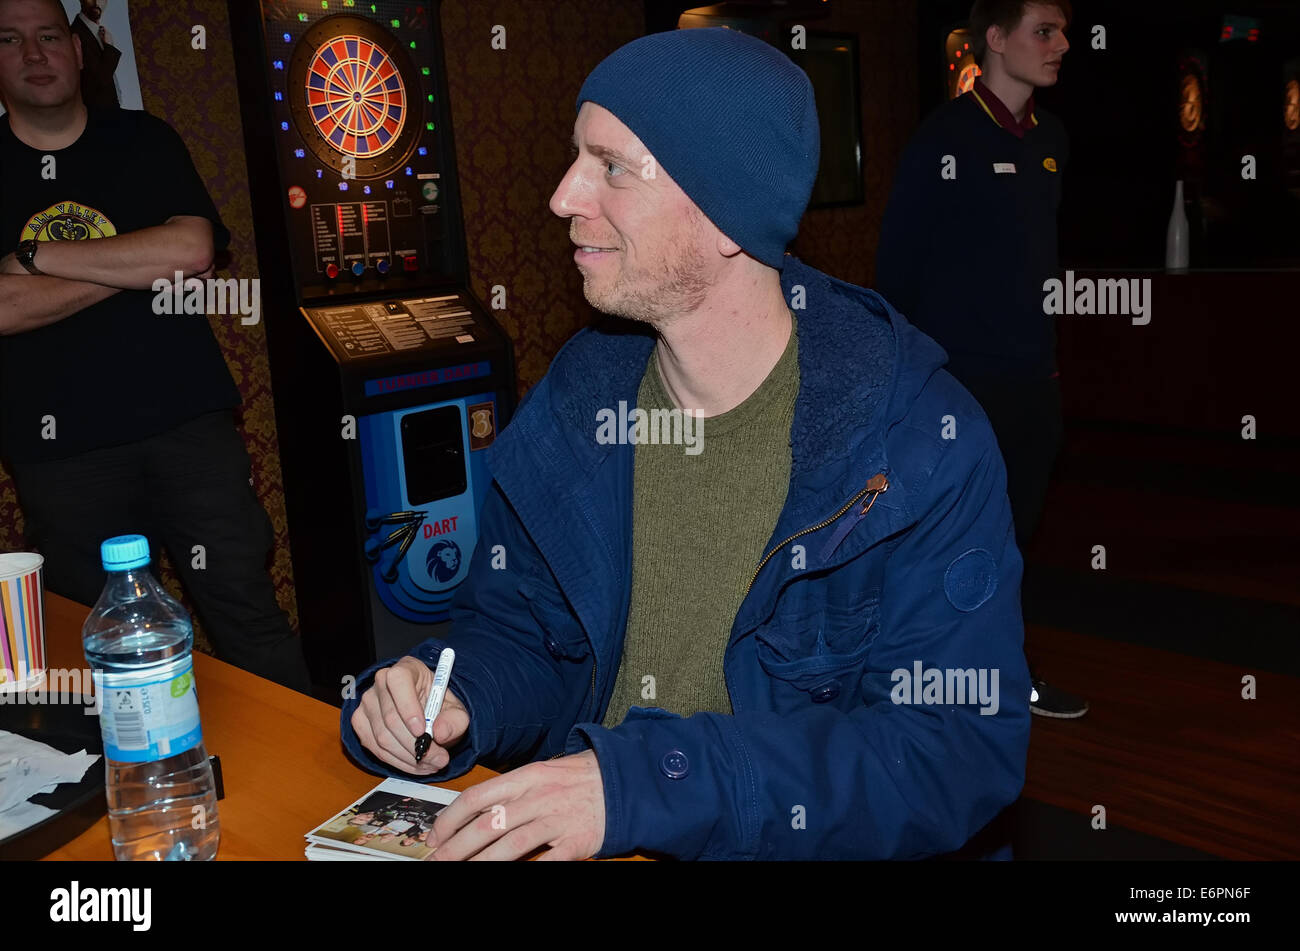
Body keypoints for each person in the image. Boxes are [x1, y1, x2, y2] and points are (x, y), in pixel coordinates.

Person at [342, 27, 1030, 861]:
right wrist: (451, 693)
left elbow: (946, 756)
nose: (563, 196)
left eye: (611, 167)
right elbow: (527, 633)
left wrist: (648, 786)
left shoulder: (917, 444)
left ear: (727, 211)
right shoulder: (582, 399)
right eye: (574, 158)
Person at [0, 0, 311, 692]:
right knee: (103, 645)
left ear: (79, 52)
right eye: (11, 40)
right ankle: (136, 784)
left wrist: (34, 255)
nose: (34, 53)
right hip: (60, 454)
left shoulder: (142, 140)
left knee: (248, 615)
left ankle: (322, 785)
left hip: (188, 428)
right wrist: (139, 265)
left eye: (50, 35)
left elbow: (195, 248)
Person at [875, 0, 1087, 718]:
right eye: (1044, 32)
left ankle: (998, 679)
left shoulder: (1053, 137)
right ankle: (946, 688)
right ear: (995, 41)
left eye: (1062, 31)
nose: (1062, 44)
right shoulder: (945, 138)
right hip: (961, 388)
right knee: (954, 544)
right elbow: (898, 270)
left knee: (1015, 542)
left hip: (1035, 383)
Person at [68, 0, 117, 109]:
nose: (96, 2)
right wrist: (110, 48)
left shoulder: (101, 32)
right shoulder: (74, 34)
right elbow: (99, 81)